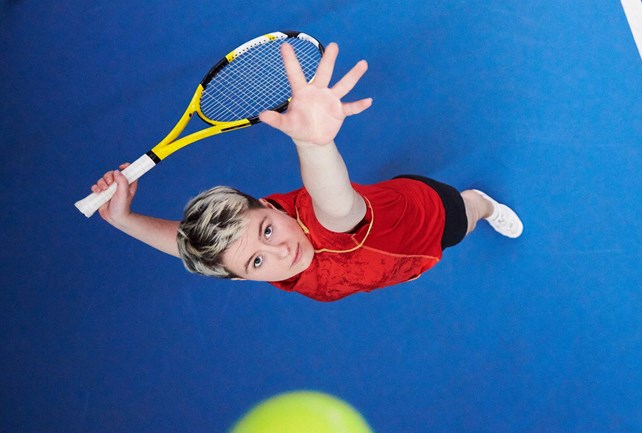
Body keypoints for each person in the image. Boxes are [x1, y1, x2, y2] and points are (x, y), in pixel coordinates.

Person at [90, 42, 523, 302]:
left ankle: (482, 204)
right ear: (241, 277)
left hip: (427, 219)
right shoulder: (244, 259)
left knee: (464, 219)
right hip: (390, 250)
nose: (280, 252)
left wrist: (313, 143)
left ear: (267, 206)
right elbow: (196, 252)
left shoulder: (323, 224)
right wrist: (125, 219)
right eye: (256, 261)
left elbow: (336, 204)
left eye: (266, 230)